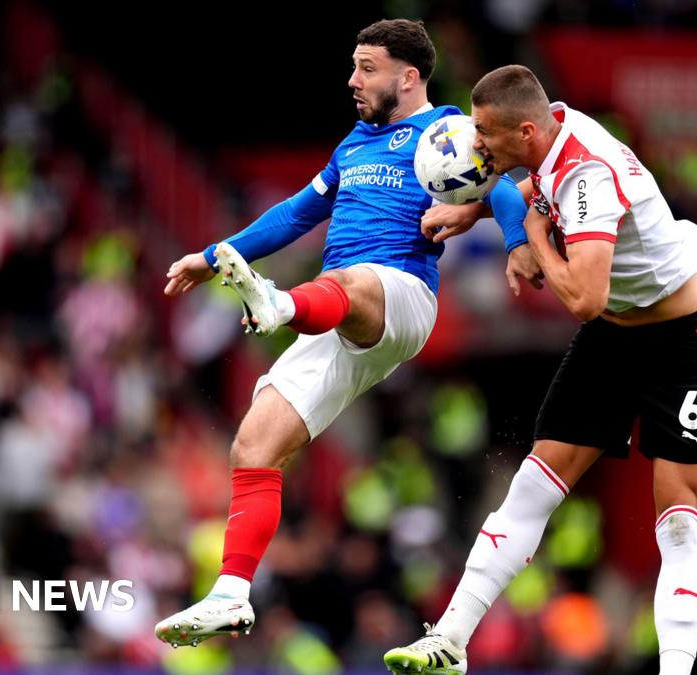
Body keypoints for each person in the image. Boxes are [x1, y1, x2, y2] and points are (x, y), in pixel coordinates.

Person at [153, 20, 540, 648]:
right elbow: (296, 213)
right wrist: (211, 253)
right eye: (354, 66)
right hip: (336, 315)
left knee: (354, 280)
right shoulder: (354, 146)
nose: (353, 80)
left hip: (400, 296)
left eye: (366, 67)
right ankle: (230, 595)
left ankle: (277, 305)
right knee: (253, 444)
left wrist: (519, 243)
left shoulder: (445, 131)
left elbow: (497, 191)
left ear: (407, 77)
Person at [385, 65, 697, 675]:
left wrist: (532, 239)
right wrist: (478, 216)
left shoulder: (587, 177)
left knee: (679, 521)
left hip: (679, 344)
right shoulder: (555, 128)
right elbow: (534, 194)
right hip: (613, 339)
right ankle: (450, 639)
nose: (476, 146)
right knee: (531, 487)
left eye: (485, 135)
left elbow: (583, 298)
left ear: (523, 131)